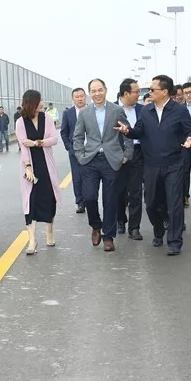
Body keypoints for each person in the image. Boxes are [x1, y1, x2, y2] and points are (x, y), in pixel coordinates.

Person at [116, 75, 191, 256]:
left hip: (173, 164)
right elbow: (138, 131)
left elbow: (190, 130)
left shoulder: (179, 110)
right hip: (151, 165)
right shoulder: (146, 111)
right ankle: (158, 229)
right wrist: (127, 131)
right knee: (151, 204)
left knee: (174, 204)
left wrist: (190, 138)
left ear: (164, 91)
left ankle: (174, 242)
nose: (149, 92)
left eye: (152, 89)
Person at [73, 78, 132, 252]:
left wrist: (126, 155)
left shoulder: (116, 110)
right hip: (90, 160)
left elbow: (127, 132)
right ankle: (96, 226)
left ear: (105, 90)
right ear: (89, 93)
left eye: (100, 90)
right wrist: (80, 156)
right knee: (89, 197)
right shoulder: (84, 112)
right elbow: (77, 136)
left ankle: (108, 236)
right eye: (93, 91)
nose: (97, 94)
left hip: (111, 160)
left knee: (110, 200)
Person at [16, 90, 62, 255]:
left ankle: (50, 232)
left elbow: (54, 139)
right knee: (31, 201)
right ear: (32, 103)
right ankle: (32, 240)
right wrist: (28, 167)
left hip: (46, 164)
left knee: (49, 199)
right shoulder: (21, 122)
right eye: (39, 100)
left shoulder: (46, 118)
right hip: (30, 165)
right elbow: (23, 145)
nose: (42, 103)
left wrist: (37, 142)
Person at [115, 78, 145, 240]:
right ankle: (120, 220)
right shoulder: (112, 109)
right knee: (119, 192)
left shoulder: (143, 110)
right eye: (136, 92)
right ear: (126, 93)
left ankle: (134, 227)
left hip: (138, 153)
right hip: (118, 153)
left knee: (136, 192)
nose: (138, 95)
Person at [60, 87, 88, 213]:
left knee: (90, 177)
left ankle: (90, 200)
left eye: (81, 96)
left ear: (85, 97)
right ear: (73, 99)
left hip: (91, 150)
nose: (80, 99)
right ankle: (80, 202)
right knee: (77, 177)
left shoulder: (92, 110)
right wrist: (69, 147)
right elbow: (64, 132)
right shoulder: (68, 113)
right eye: (77, 97)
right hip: (75, 150)